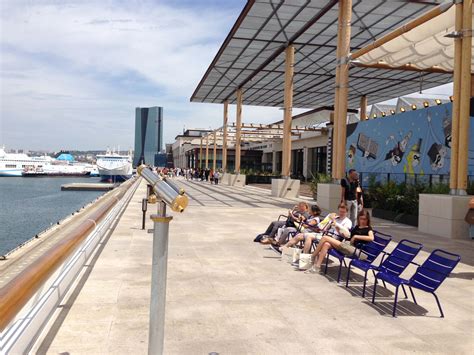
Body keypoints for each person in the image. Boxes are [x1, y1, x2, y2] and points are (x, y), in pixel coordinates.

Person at [305, 209, 373, 274]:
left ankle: (312, 256)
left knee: (325, 238)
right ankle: (317, 267)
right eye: (361, 219)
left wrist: (356, 237)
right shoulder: (357, 226)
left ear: (368, 219)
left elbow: (371, 238)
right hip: (346, 245)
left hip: (354, 250)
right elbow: (348, 237)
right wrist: (339, 229)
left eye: (364, 219)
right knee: (326, 244)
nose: (362, 221)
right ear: (358, 218)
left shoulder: (368, 228)